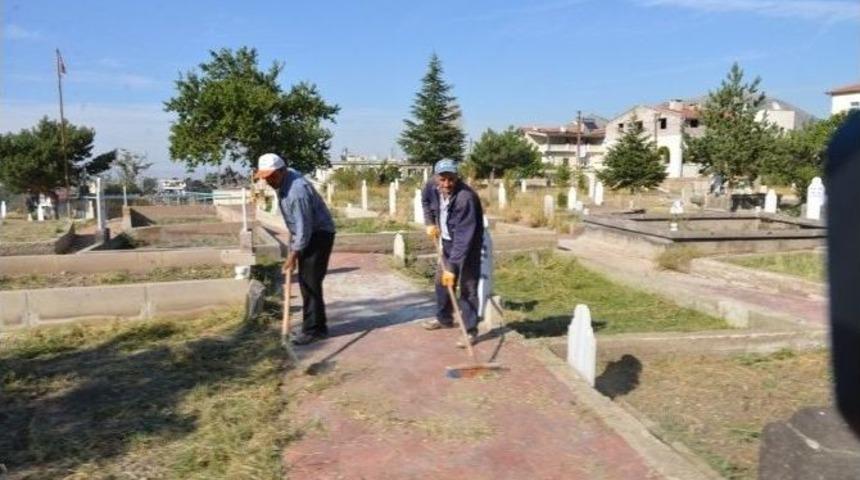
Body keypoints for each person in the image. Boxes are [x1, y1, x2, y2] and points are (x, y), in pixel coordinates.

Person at [254, 153, 336, 345]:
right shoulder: (286, 177)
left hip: (318, 235)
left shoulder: (296, 192)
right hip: (308, 232)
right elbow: (299, 228)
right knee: (307, 281)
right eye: (264, 177)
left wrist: (292, 255)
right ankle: (316, 325)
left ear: (281, 171)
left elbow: (304, 229)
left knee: (310, 282)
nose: (267, 181)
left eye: (271, 176)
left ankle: (314, 330)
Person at [421, 158, 485, 347]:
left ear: (457, 177)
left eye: (451, 179)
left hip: (468, 247)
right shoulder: (431, 187)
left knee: (468, 287)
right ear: (436, 178)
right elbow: (425, 202)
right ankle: (444, 318)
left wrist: (453, 267)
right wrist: (430, 222)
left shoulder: (466, 198)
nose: (446, 184)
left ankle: (470, 331)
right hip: (448, 242)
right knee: (443, 282)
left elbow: (464, 237)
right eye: (443, 179)